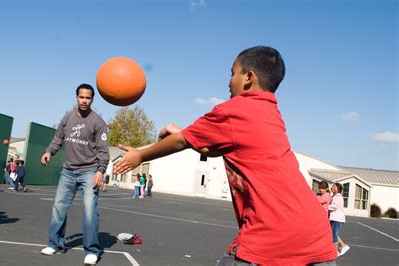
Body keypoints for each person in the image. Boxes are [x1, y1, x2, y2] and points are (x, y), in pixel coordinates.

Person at [114, 46, 337, 265]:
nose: (228, 81)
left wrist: (141, 155)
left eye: (232, 73)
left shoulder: (235, 109)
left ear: (248, 77)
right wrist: (183, 132)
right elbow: (209, 148)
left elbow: (182, 142)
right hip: (317, 237)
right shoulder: (270, 112)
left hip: (273, 233)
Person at [39, 83, 109, 265]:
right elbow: (57, 139)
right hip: (68, 171)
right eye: (82, 97)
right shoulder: (67, 117)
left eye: (88, 98)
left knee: (89, 212)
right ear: (76, 97)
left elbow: (103, 152)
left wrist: (101, 171)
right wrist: (49, 152)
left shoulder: (98, 122)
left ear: (92, 99)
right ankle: (54, 244)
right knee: (58, 208)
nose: (84, 100)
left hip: (89, 171)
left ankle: (92, 250)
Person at [329, 182, 350, 257]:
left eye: (335, 187)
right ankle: (344, 246)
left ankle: (335, 251)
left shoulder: (338, 197)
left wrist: (326, 207)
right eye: (332, 187)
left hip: (337, 218)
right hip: (334, 218)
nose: (333, 188)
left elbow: (335, 206)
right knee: (333, 233)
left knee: (334, 234)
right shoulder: (334, 196)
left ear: (339, 189)